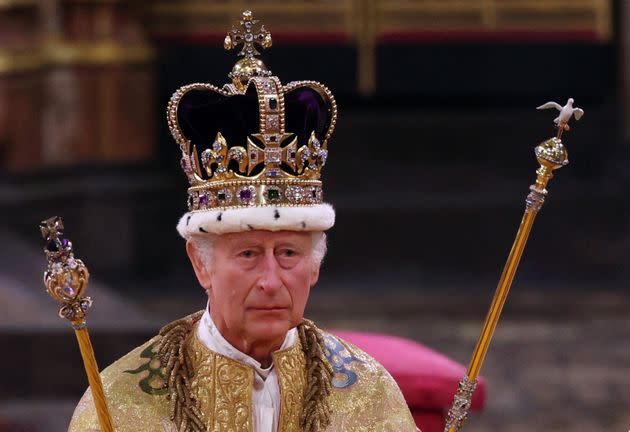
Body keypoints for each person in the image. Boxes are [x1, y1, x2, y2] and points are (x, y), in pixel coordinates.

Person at [68, 10, 418, 432]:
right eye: (249, 254)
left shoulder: (369, 394)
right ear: (202, 264)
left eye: (288, 253)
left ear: (315, 266)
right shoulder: (123, 404)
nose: (271, 280)